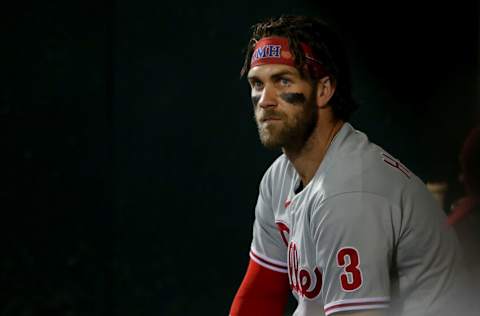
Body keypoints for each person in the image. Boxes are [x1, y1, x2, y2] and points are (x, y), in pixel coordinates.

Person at [229, 15, 470, 316]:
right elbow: (259, 297)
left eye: (283, 80)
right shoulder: (279, 178)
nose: (265, 99)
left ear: (324, 90)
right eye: (257, 83)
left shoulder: (350, 193)